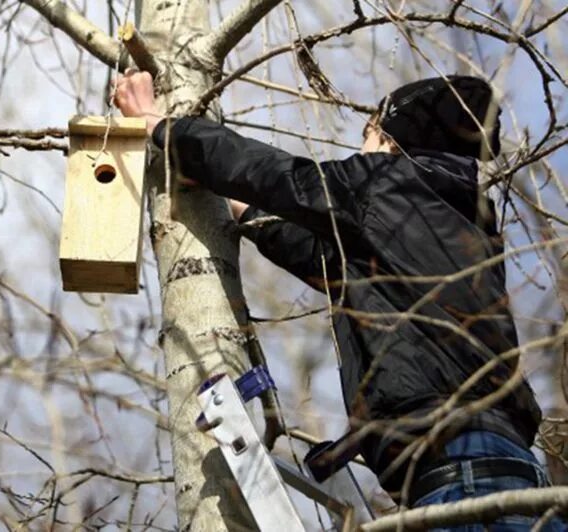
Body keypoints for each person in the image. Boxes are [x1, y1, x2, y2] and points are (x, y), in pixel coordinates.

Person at [113, 70, 562, 530]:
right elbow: (328, 260)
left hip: (462, 479)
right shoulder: (460, 224)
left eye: (366, 137)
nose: (358, 153)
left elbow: (276, 174)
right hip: (511, 479)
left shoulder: (386, 181)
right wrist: (233, 200)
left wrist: (159, 123)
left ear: (390, 142)